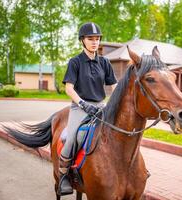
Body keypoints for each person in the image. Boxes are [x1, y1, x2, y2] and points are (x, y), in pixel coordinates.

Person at [58, 22, 117, 196]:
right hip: (80, 107)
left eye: (97, 39)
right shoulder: (75, 62)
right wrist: (82, 103)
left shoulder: (105, 62)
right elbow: (69, 88)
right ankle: (64, 176)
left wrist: (115, 102)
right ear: (82, 41)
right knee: (72, 138)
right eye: (90, 39)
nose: (94, 42)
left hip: (101, 106)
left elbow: (114, 86)